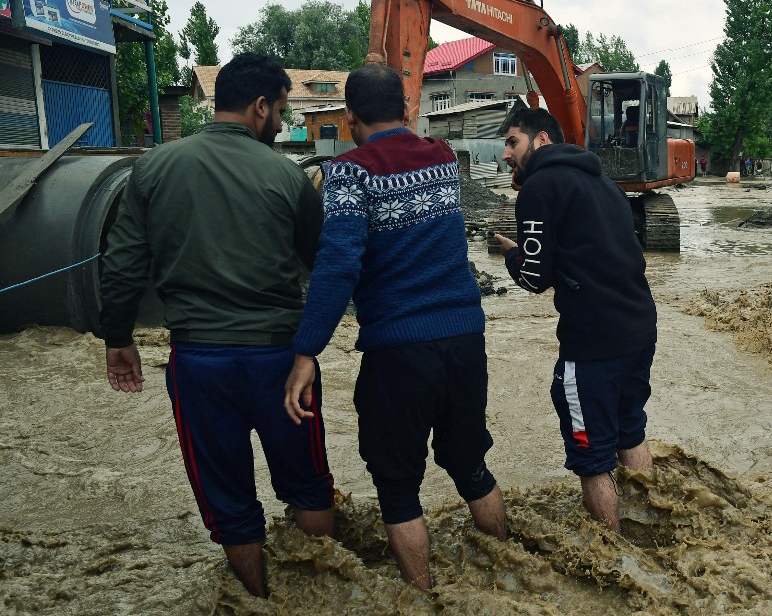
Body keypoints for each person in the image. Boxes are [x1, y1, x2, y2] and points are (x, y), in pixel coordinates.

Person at [98, 53, 334, 599]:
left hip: (198, 365)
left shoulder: (152, 168)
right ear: (259, 106)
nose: (282, 124)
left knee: (228, 500)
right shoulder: (287, 176)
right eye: (279, 111)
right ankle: (323, 598)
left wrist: (117, 338)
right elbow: (323, 266)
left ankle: (257, 602)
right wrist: (312, 345)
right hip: (281, 363)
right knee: (308, 485)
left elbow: (122, 262)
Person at [283, 63, 506, 591]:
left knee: (399, 486)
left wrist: (306, 350)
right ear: (408, 110)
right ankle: (507, 576)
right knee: (470, 462)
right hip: (465, 340)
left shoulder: (350, 172)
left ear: (351, 116)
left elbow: (339, 266)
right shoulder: (443, 158)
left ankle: (424, 597)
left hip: (401, 350)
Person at [493, 106, 656, 535]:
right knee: (630, 431)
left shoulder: (540, 188)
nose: (506, 154)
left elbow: (534, 277)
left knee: (592, 458)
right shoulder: (606, 183)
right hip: (640, 327)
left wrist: (512, 253)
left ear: (541, 140)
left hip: (592, 344)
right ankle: (655, 520)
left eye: (512, 142)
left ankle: (614, 555)